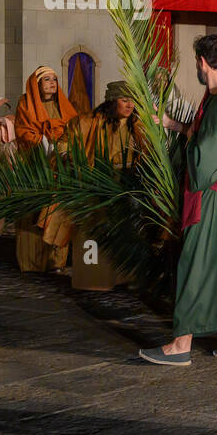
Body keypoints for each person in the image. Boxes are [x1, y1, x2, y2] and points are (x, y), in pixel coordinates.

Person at [139, 35, 217, 365]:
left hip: (209, 193)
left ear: (203, 63)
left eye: (196, 61)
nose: (196, 66)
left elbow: (205, 154)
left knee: (195, 260)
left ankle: (181, 344)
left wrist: (189, 152)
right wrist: (171, 124)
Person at [70, 81, 148, 291]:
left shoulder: (138, 125)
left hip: (127, 183)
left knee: (126, 230)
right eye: (124, 100)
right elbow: (67, 143)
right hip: (98, 182)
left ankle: (124, 277)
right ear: (112, 101)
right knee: (95, 229)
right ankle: (94, 277)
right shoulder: (89, 122)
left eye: (132, 100)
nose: (130, 105)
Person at [14, 66, 78, 273]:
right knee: (34, 213)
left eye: (54, 79)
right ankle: (32, 262)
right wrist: (43, 140)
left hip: (60, 167)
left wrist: (64, 145)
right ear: (37, 84)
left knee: (59, 212)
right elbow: (23, 130)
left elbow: (75, 127)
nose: (52, 83)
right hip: (36, 166)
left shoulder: (63, 105)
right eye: (46, 80)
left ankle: (56, 261)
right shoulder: (26, 103)